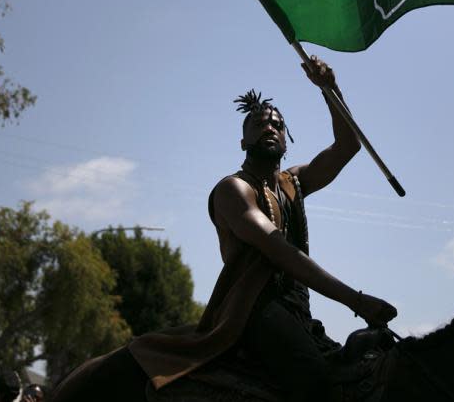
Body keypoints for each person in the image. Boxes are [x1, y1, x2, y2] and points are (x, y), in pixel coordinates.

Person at [130, 56, 396, 402]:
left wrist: (329, 89)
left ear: (286, 141)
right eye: (258, 124)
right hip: (254, 312)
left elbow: (348, 146)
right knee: (318, 388)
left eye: (277, 125)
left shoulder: (294, 183)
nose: (269, 128)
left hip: (298, 312)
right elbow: (278, 249)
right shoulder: (234, 189)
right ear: (243, 142)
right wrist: (355, 300)